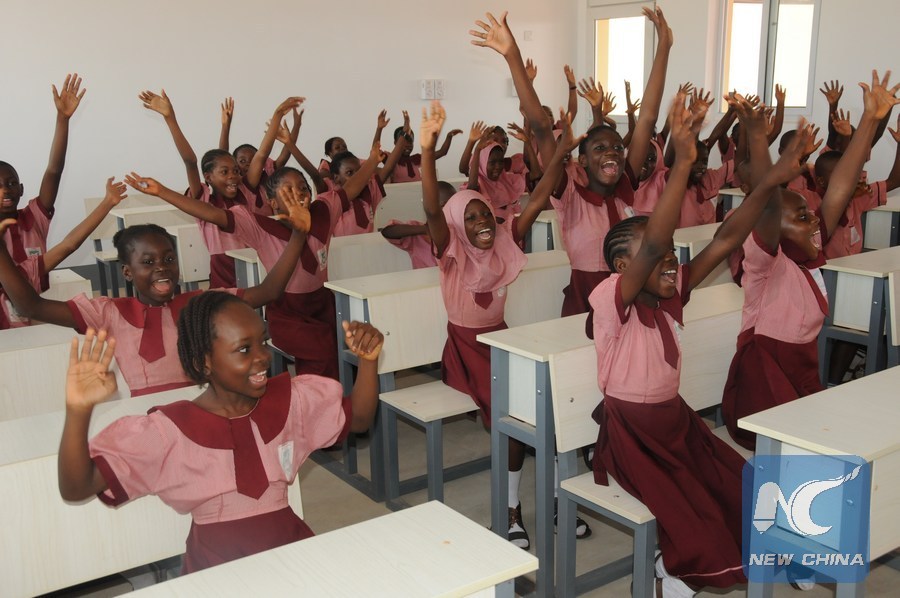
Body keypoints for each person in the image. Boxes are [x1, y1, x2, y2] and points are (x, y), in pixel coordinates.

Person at [590, 93, 814, 597]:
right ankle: (671, 576)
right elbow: (650, 243)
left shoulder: (671, 296)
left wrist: (771, 181)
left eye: (672, 254)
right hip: (633, 436)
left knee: (738, 479)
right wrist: (684, 161)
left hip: (676, 421)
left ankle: (773, 552)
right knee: (692, 513)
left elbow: (728, 237)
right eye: (656, 257)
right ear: (623, 270)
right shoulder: (612, 303)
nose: (668, 261)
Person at [57, 292, 383, 573]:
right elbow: (77, 487)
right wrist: (78, 410)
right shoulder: (169, 430)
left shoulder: (289, 401)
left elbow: (359, 419)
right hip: (214, 565)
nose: (263, 358)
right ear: (205, 361)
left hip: (291, 550)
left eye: (262, 342)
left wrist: (368, 362)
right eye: (244, 349)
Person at [420, 99, 583, 549]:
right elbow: (434, 209)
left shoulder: (505, 240)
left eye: (485, 215)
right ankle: (510, 510)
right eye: (470, 218)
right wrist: (428, 149)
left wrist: (560, 146)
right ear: (457, 226)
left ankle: (554, 501)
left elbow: (543, 187)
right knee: (517, 415)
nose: (482, 223)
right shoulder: (449, 254)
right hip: (466, 350)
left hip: (502, 341)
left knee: (548, 405)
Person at [722, 70, 900, 450]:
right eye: (802, 218)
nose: (815, 222)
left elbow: (839, 189)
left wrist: (869, 121)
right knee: (807, 444)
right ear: (773, 228)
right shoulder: (765, 264)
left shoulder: (807, 262)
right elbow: (769, 204)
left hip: (798, 374)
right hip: (762, 384)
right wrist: (757, 135)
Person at [0, 187, 310, 396]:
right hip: (142, 420)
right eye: (147, 262)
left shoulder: (200, 304)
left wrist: (298, 234)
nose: (161, 267)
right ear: (127, 272)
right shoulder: (108, 312)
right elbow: (29, 306)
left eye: (169, 259)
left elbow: (269, 291)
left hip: (199, 410)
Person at [471, 8, 672, 316]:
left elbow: (647, 118)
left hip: (631, 297)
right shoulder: (570, 192)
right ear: (582, 160)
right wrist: (512, 55)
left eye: (618, 148)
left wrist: (664, 47)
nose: (613, 153)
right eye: (600, 148)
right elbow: (540, 123)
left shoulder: (624, 188)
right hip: (585, 302)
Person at [125, 153, 362, 380]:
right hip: (287, 312)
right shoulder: (258, 226)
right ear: (272, 203)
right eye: (288, 191)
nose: (298, 194)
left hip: (324, 305)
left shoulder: (322, 212)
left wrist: (373, 158)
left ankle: (346, 402)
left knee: (350, 343)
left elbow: (351, 189)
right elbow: (213, 214)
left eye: (303, 188)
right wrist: (162, 192)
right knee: (321, 349)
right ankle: (319, 404)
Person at [0, 178, 126, 329]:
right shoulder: (25, 273)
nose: (5, 190)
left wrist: (108, 202)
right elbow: (68, 245)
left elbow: (69, 245)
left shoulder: (24, 273)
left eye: (11, 183)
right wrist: (108, 203)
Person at [1, 73, 85, 264]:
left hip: (37, 295)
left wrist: (63, 119)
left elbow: (54, 171)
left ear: (21, 189)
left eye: (12, 183)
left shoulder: (33, 217)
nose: (5, 189)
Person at [380, 181, 456, 269]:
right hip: (426, 282)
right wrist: (425, 229)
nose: (450, 210)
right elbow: (387, 231)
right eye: (444, 205)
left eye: (453, 206)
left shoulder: (459, 230)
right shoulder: (417, 236)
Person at [389, 110, 461, 183]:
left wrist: (449, 137)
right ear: (395, 143)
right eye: (404, 142)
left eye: (410, 141)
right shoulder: (390, 160)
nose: (408, 145)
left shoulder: (418, 159)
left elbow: (442, 152)